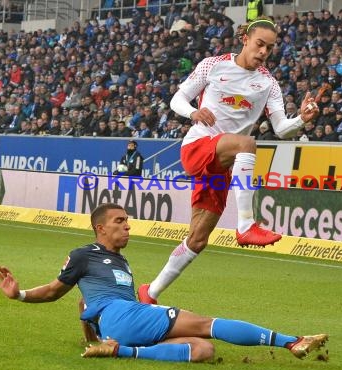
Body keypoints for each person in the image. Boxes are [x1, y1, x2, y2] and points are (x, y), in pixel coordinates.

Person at [0, 203, 329, 363]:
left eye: (128, 221)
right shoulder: (83, 254)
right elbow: (53, 291)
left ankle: (121, 350)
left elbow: (85, 306)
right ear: (100, 229)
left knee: (203, 350)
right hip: (123, 315)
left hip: (122, 323)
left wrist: (94, 328)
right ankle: (291, 342)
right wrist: (19, 294)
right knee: (207, 324)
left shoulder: (121, 261)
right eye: (119, 222)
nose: (127, 227)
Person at [137, 18, 320, 304]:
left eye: (269, 48)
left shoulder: (268, 84)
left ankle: (150, 292)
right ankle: (246, 224)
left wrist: (302, 119)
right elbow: (177, 99)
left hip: (222, 164)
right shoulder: (213, 65)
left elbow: (282, 128)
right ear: (245, 39)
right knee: (247, 142)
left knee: (197, 239)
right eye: (260, 44)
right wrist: (193, 113)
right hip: (198, 147)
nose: (263, 52)